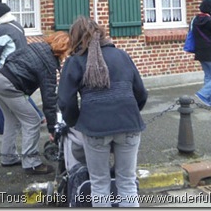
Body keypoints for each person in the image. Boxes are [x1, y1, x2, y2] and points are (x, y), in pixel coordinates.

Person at [57, 16, 147, 207]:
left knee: (99, 183)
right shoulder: (122, 55)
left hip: (95, 127)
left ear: (76, 38)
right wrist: (128, 115)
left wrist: (76, 122)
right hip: (129, 124)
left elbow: (65, 101)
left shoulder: (75, 61)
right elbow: (141, 93)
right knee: (127, 181)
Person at [0, 31, 70, 174]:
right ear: (63, 49)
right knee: (33, 120)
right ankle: (31, 163)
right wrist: (53, 129)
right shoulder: (49, 63)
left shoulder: (37, 46)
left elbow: (11, 56)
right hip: (10, 86)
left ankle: (8, 158)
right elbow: (49, 99)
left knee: (12, 120)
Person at [0, 2, 44, 135]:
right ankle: (38, 115)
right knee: (19, 94)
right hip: (21, 64)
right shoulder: (17, 25)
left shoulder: (1, 29)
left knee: (2, 95)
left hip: (8, 67)